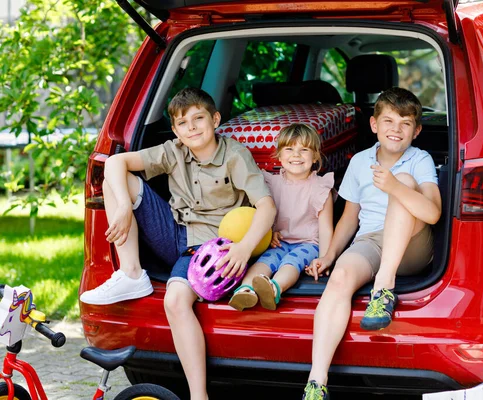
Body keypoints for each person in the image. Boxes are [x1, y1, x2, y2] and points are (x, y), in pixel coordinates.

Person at [79, 87, 276, 400]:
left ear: (215, 119)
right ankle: (131, 274)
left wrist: (243, 248)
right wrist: (124, 209)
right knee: (116, 177)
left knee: (174, 301)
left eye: (199, 119)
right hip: (173, 233)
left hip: (211, 249)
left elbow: (266, 206)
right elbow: (116, 162)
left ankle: (199, 395)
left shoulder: (235, 156)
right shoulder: (174, 151)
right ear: (175, 130)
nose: (193, 128)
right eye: (184, 123)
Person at [301, 87, 441, 399]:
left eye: (405, 124)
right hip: (371, 241)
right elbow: (350, 218)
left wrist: (394, 186)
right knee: (340, 279)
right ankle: (316, 381)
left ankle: (383, 287)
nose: (396, 129)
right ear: (374, 125)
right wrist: (329, 255)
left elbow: (432, 213)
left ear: (416, 131)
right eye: (389, 121)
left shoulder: (419, 159)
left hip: (411, 245)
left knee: (404, 183)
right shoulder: (360, 161)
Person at [228, 123, 334, 312]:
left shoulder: (320, 188)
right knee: (265, 261)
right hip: (280, 241)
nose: (296, 155)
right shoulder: (271, 183)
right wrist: (270, 234)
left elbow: (326, 228)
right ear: (278, 155)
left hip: (308, 243)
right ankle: (246, 289)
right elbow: (261, 215)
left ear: (316, 156)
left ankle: (275, 287)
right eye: (289, 149)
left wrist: (324, 259)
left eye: (304, 150)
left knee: (291, 262)